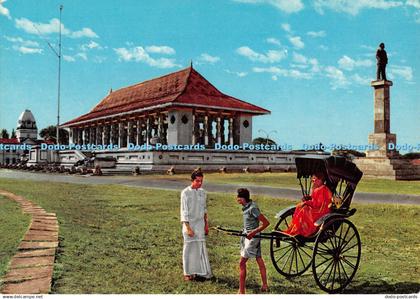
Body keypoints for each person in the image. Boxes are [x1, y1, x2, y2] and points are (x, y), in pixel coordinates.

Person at [180, 169, 212, 281]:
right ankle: (187, 273)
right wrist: (188, 228)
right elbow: (184, 211)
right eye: (197, 181)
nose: (199, 183)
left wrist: (206, 225)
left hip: (200, 225)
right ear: (192, 180)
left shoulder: (203, 192)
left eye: (201, 181)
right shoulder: (185, 192)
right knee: (188, 248)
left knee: (199, 248)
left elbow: (204, 210)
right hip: (190, 224)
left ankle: (200, 272)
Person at [236, 188, 270, 294]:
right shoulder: (246, 207)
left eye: (238, 197)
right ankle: (265, 286)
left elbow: (266, 223)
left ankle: (241, 292)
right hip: (248, 235)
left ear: (243, 198)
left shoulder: (253, 208)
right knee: (259, 258)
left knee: (241, 263)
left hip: (252, 238)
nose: (237, 199)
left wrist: (253, 232)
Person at [284, 172, 332, 237]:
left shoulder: (322, 189)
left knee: (304, 210)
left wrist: (307, 202)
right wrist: (308, 199)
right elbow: (314, 199)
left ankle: (303, 231)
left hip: (321, 211)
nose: (314, 182)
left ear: (321, 180)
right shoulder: (319, 188)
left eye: (315, 180)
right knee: (300, 207)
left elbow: (317, 204)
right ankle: (297, 230)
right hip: (318, 208)